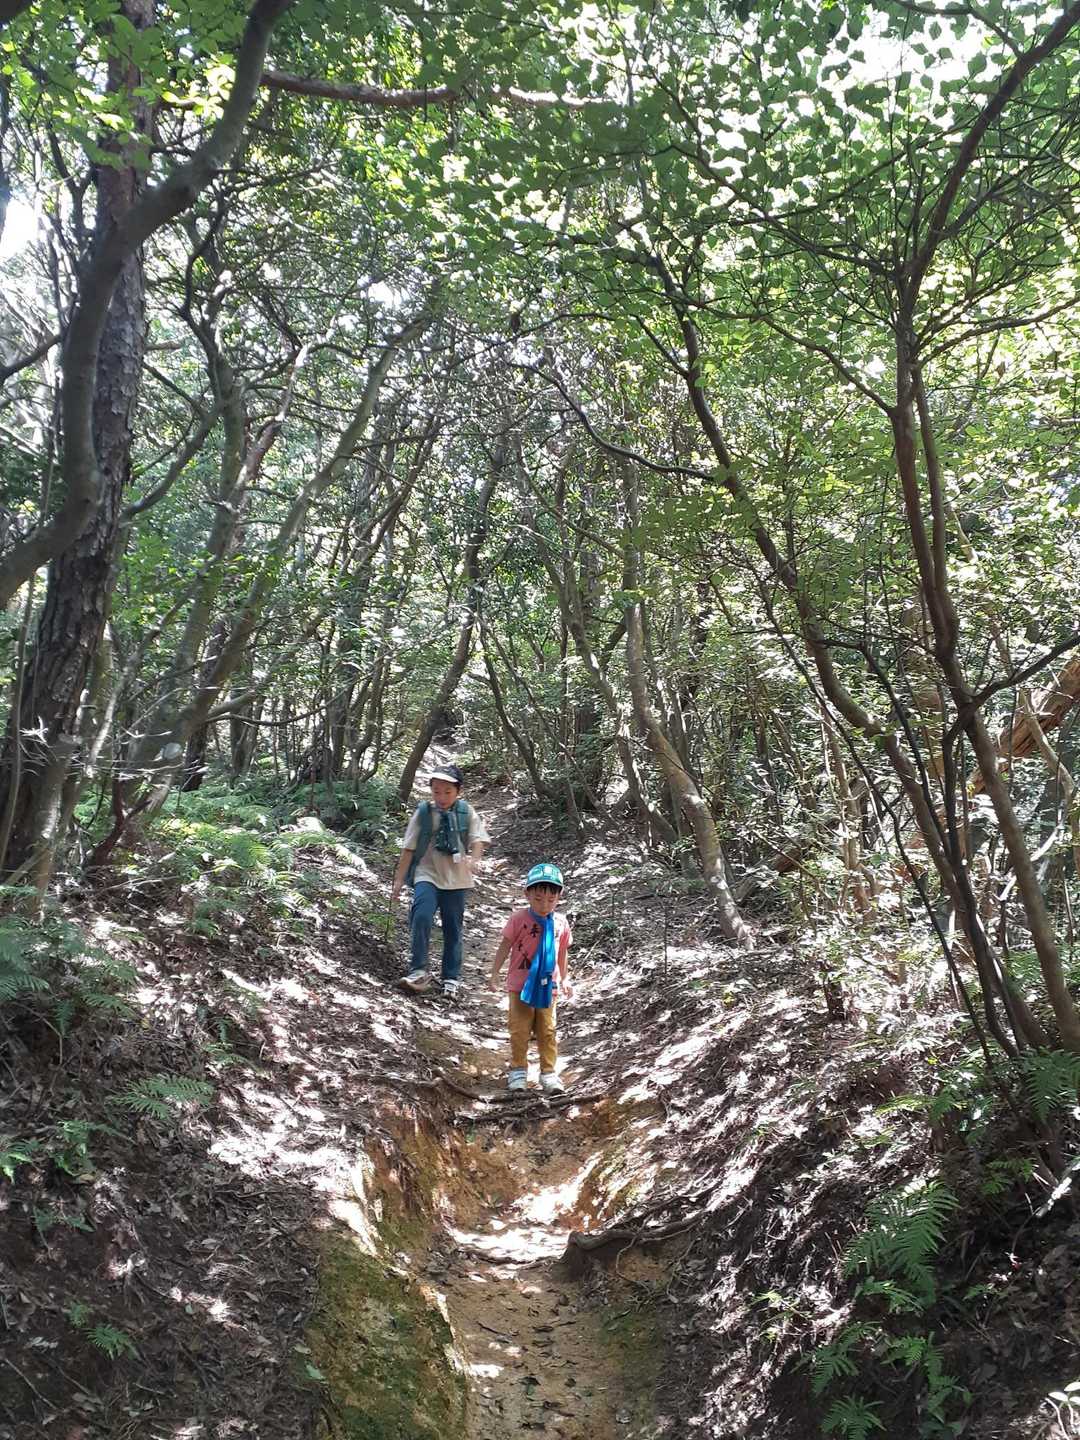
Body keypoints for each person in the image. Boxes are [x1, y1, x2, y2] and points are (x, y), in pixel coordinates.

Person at [390, 764, 489, 998]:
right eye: (436, 791)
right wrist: (398, 881)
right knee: (421, 916)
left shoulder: (466, 812)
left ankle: (450, 978)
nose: (441, 797)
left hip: (457, 879)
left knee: (453, 928)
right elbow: (408, 848)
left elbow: (478, 840)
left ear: (458, 791)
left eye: (447, 792)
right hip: (427, 874)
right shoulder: (424, 813)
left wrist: (474, 860)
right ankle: (418, 970)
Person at [488, 862, 572, 1093]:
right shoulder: (518, 919)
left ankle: (548, 1072)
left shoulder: (561, 922)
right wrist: (494, 973)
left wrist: (565, 978)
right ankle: (518, 1070)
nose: (544, 905)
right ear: (527, 894)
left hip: (548, 986)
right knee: (519, 1029)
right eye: (538, 899)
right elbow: (505, 946)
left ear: (559, 897)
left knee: (547, 1029)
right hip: (520, 985)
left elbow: (562, 952)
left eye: (551, 899)